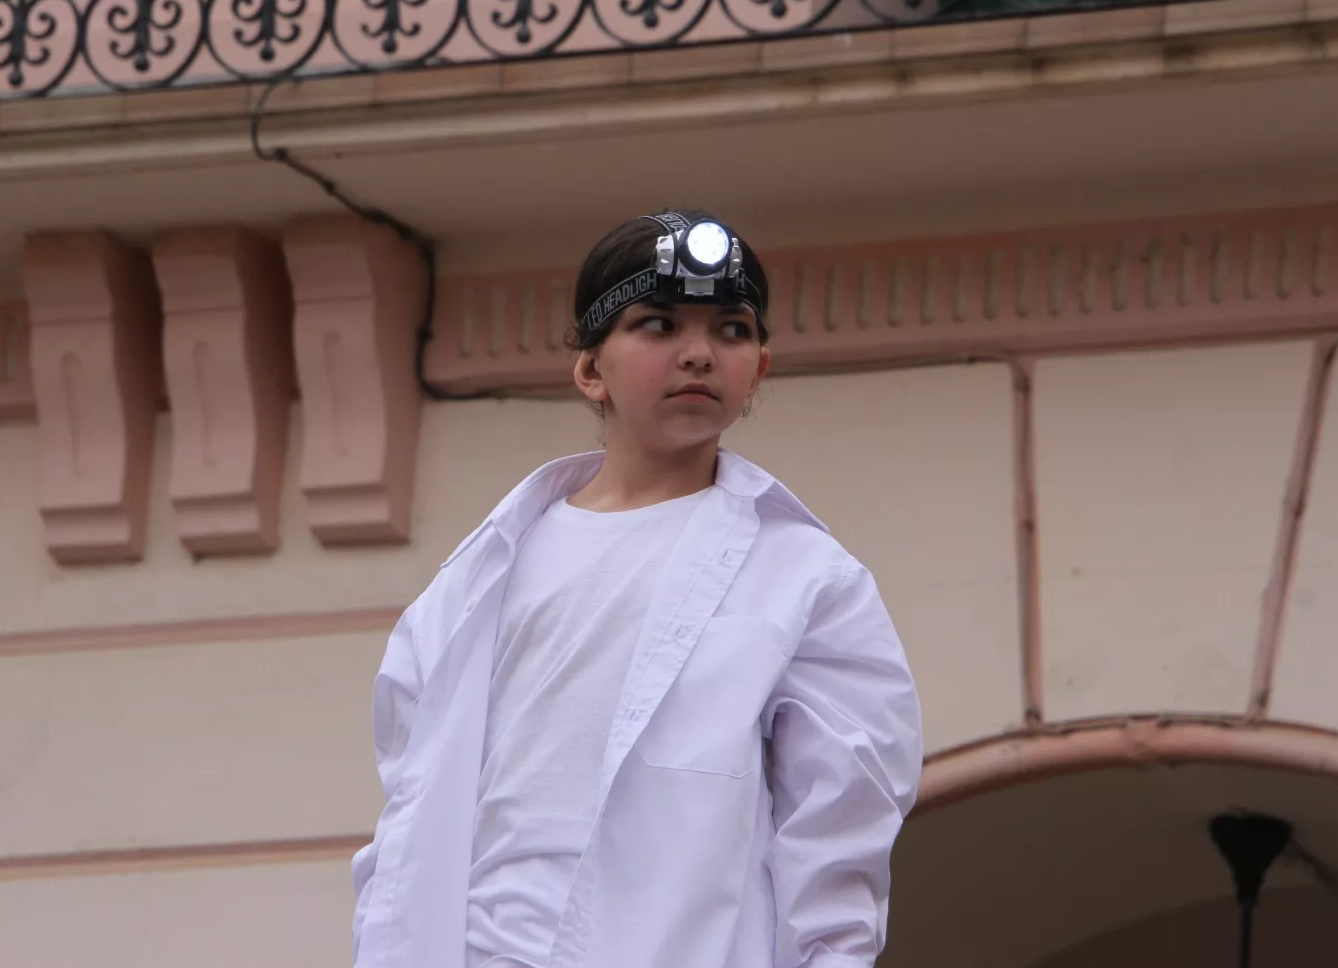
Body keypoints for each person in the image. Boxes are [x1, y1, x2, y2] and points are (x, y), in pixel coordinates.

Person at [351, 210, 923, 968]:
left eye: (732, 330)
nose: (699, 353)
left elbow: (843, 818)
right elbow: (411, 803)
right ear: (591, 369)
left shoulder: (807, 578)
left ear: (759, 369)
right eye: (658, 325)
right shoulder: (480, 577)